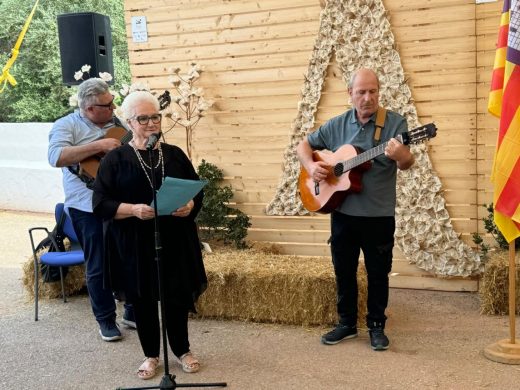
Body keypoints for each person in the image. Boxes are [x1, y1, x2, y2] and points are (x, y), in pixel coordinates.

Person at [92, 91, 208, 379]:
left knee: (176, 298)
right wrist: (132, 210)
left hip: (175, 238)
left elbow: (197, 189)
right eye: (143, 118)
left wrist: (190, 204)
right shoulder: (116, 159)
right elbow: (101, 204)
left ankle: (182, 350)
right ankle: (151, 355)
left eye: (155, 117)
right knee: (143, 300)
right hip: (134, 242)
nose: (151, 123)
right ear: (130, 122)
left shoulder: (174, 154)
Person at [296, 68, 415, 351]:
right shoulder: (337, 125)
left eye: (372, 91)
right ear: (350, 94)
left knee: (378, 273)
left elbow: (408, 163)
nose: (367, 97)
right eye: (361, 92)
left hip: (378, 215)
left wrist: (402, 156)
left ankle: (376, 326)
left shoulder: (395, 123)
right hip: (343, 214)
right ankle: (347, 324)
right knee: (344, 271)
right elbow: (303, 145)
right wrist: (311, 166)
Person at [48, 77, 136, 341]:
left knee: (128, 257)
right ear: (89, 109)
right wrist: (99, 146)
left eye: (112, 103)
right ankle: (106, 320)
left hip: (118, 203)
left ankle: (132, 311)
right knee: (97, 264)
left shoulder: (117, 126)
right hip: (85, 206)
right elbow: (56, 157)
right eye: (107, 105)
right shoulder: (67, 125)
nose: (113, 107)